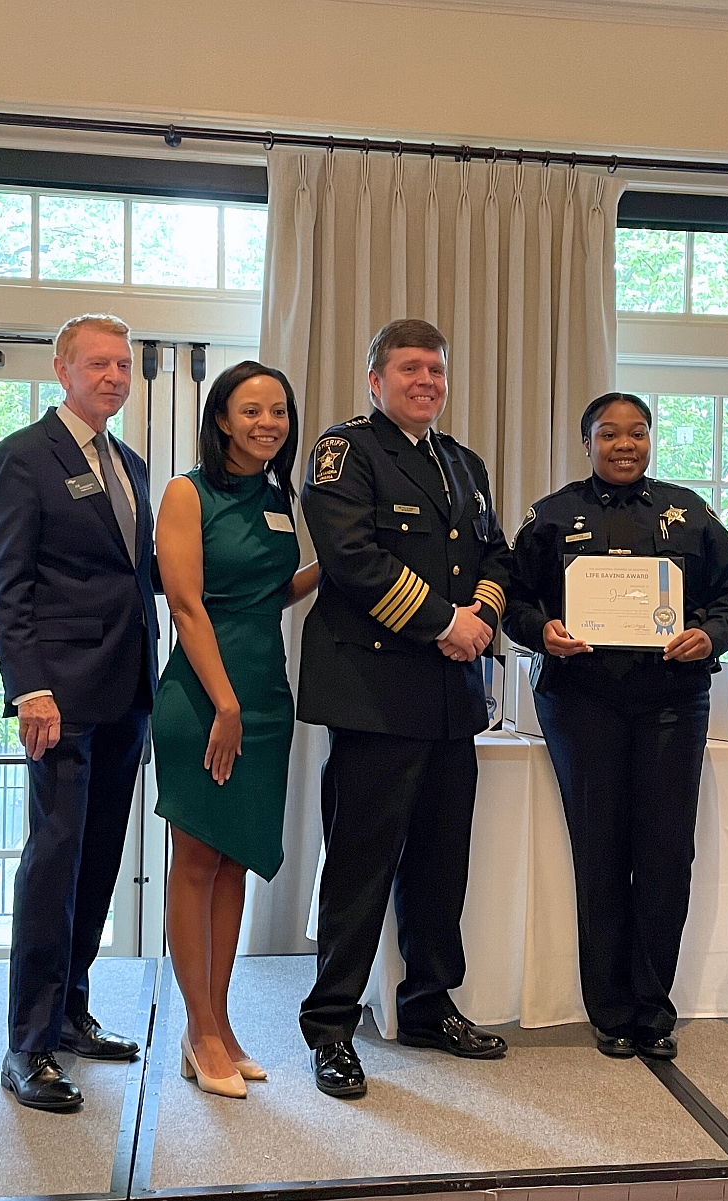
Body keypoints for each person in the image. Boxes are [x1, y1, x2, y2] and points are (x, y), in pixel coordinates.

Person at [296, 318, 515, 1099]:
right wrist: (445, 622)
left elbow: (495, 552)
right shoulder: (344, 451)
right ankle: (330, 1025)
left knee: (438, 866)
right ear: (375, 378)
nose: (427, 381)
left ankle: (428, 1003)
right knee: (359, 869)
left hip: (451, 700)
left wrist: (481, 616)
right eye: (411, 368)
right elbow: (353, 559)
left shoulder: (462, 461)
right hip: (375, 693)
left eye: (437, 370)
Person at [504, 393, 728, 1061]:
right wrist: (540, 631)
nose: (624, 444)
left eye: (636, 433)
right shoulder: (552, 516)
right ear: (586, 441)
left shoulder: (689, 512)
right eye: (609, 433)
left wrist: (710, 633)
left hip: (673, 699)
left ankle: (654, 1006)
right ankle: (610, 1009)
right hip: (582, 702)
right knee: (602, 850)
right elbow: (513, 598)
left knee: (667, 855)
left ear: (650, 440)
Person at [0, 314, 156, 1112]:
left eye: (123, 363)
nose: (115, 375)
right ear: (62, 368)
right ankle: (28, 1043)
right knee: (53, 862)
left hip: (127, 691)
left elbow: (137, 575)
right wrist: (30, 686)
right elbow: (8, 584)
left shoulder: (130, 463)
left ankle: (72, 1012)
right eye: (98, 362)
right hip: (60, 696)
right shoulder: (23, 456)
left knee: (97, 861)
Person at [151, 362, 320, 1098]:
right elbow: (186, 606)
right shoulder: (187, 492)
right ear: (222, 417)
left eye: (278, 411)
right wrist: (222, 703)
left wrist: (331, 567)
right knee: (197, 856)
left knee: (236, 858)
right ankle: (197, 1029)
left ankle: (219, 1021)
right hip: (203, 693)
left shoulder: (277, 496)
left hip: (264, 691)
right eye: (252, 410)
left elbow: (270, 591)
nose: (268, 423)